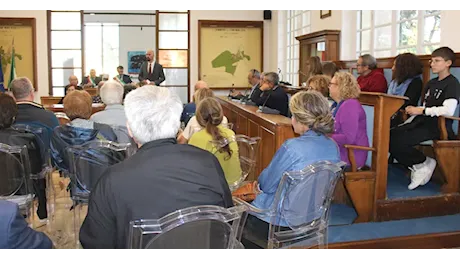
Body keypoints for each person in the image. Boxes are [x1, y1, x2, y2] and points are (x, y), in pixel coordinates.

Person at [79, 85, 233, 249]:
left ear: (130, 129)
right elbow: (226, 217)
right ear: (177, 125)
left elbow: (95, 244)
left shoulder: (111, 181)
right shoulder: (208, 162)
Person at [239, 90, 340, 250]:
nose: (291, 119)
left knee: (235, 222)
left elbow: (266, 185)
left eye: (293, 115)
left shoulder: (292, 148)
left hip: (277, 223)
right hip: (312, 219)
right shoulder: (333, 147)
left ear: (302, 120)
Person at [389, 46, 460, 190]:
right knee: (389, 136)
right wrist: (414, 112)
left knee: (399, 141)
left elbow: (449, 110)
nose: (432, 64)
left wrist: (422, 110)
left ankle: (421, 163)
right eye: (431, 61)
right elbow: (424, 106)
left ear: (448, 63)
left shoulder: (452, 83)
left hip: (438, 126)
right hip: (422, 121)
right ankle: (421, 163)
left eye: (437, 61)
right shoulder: (431, 83)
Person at [0, 93, 47, 221]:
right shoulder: (27, 139)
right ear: (14, 116)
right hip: (20, 195)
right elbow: (38, 174)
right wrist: (43, 208)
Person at [188, 97, 241, 185]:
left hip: (212, 189)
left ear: (199, 117)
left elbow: (191, 169)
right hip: (235, 184)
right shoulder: (230, 133)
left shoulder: (196, 137)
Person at [329, 72, 369, 169]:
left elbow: (348, 138)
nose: (328, 86)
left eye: (331, 84)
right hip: (338, 150)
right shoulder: (336, 105)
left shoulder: (350, 105)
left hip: (350, 154)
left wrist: (325, 137)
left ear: (341, 87)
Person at [387, 53, 424, 127]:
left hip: (404, 115)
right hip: (390, 111)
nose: (392, 68)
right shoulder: (394, 82)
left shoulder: (416, 82)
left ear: (403, 68)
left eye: (395, 66)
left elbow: (408, 102)